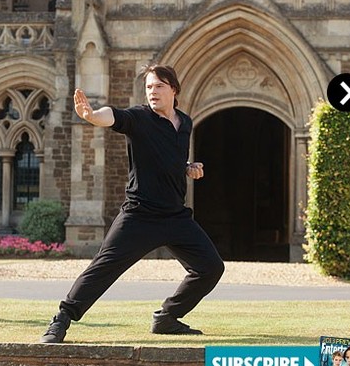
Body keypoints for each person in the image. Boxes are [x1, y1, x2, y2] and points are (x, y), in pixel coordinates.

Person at [39, 64, 225, 343]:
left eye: (159, 86)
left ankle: (167, 317)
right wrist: (92, 115)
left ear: (173, 89)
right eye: (149, 87)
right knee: (104, 267)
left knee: (211, 267)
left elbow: (169, 157)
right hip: (140, 215)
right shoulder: (139, 118)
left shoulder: (184, 123)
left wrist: (187, 167)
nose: (153, 92)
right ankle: (61, 320)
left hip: (176, 216)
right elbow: (113, 116)